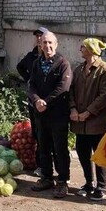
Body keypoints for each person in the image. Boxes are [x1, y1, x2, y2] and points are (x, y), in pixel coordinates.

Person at [69, 38, 106, 201]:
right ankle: (89, 183)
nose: (80, 49)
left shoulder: (105, 70)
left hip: (97, 122)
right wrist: (73, 109)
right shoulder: (79, 68)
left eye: (83, 46)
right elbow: (71, 90)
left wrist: (88, 112)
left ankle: (101, 187)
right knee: (82, 152)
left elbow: (104, 97)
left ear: (91, 49)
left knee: (99, 154)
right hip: (79, 122)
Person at [29, 31, 73, 198]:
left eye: (50, 43)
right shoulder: (37, 63)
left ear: (56, 44)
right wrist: (36, 101)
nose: (47, 46)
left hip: (57, 114)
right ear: (40, 45)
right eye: (44, 43)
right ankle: (46, 178)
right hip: (40, 114)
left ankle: (63, 181)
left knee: (59, 148)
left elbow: (63, 87)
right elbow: (31, 84)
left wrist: (46, 102)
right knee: (43, 146)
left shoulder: (63, 64)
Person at [16, 27, 48, 177]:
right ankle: (40, 165)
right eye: (37, 37)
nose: (39, 39)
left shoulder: (52, 57)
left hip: (48, 102)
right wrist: (27, 79)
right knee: (37, 132)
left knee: (47, 134)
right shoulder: (32, 55)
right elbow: (20, 66)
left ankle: (49, 165)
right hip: (33, 101)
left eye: (41, 36)